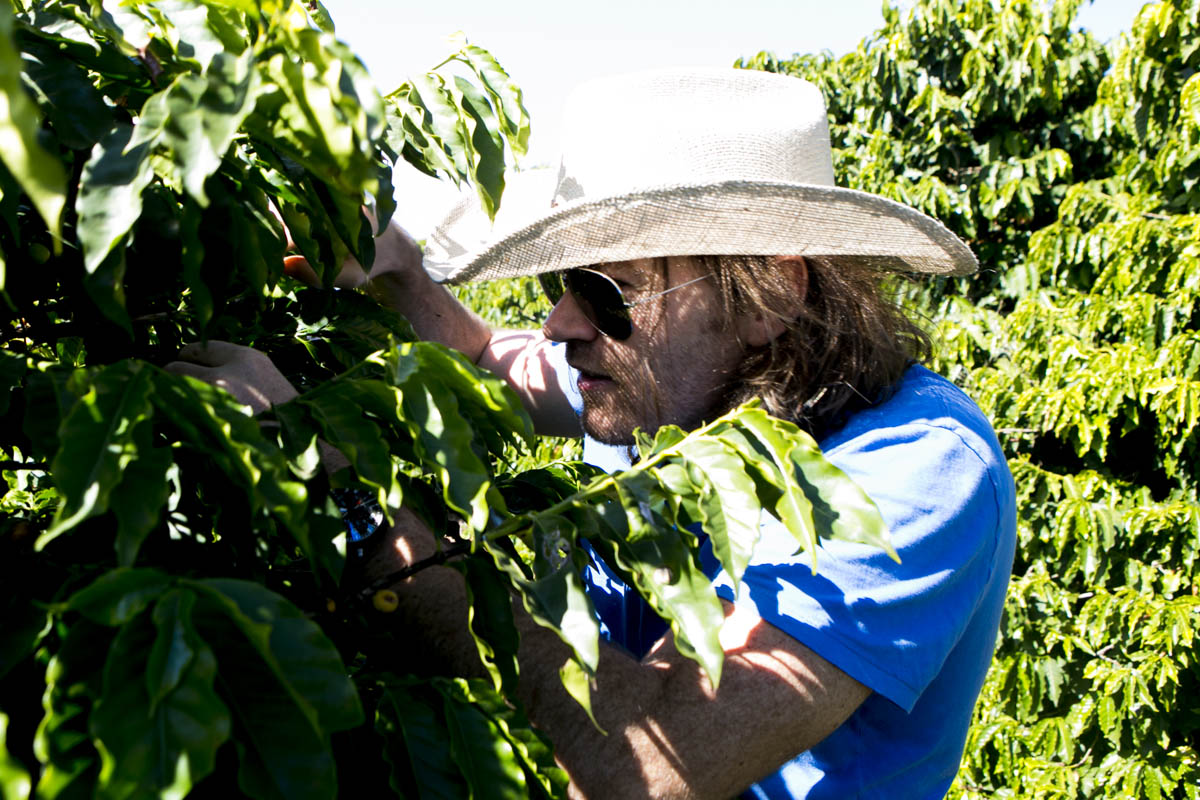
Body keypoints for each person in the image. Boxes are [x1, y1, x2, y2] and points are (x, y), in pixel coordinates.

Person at [172, 68, 1016, 799]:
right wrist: (395, 268)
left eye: (609, 294)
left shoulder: (918, 472)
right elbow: (494, 364)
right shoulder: (673, 389)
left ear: (765, 298)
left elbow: (644, 769)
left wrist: (332, 483)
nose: (560, 322)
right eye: (564, 283)